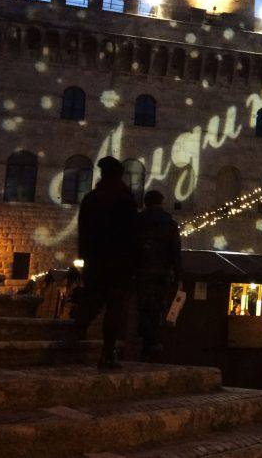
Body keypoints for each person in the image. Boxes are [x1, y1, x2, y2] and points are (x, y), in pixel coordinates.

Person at [74, 156, 138, 371]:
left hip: (95, 261)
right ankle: (107, 354)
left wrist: (85, 257)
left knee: (92, 301)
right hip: (119, 263)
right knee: (115, 308)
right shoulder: (125, 199)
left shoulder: (92, 198)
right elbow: (131, 235)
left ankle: (72, 340)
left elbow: (83, 231)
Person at [134, 189, 182, 362]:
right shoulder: (169, 223)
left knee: (143, 307)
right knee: (157, 307)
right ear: (161, 202)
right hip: (162, 272)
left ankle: (145, 340)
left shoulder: (138, 221)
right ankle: (152, 342)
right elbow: (175, 250)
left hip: (142, 271)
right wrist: (178, 273)